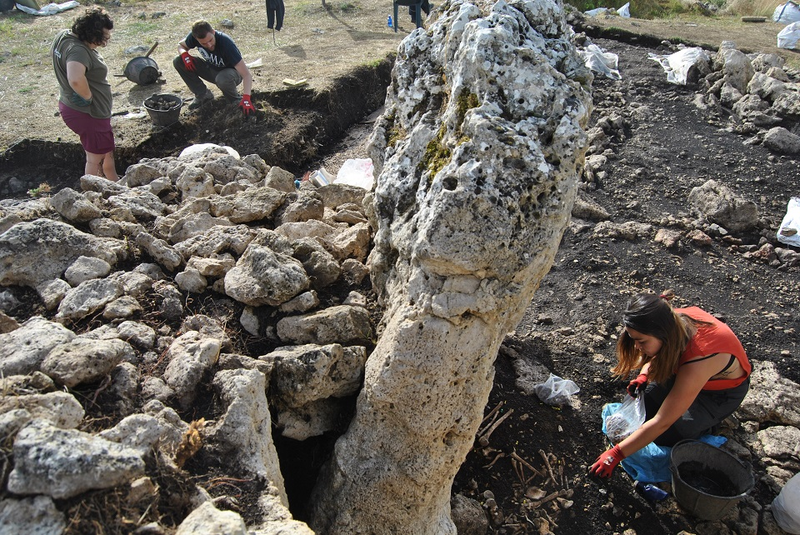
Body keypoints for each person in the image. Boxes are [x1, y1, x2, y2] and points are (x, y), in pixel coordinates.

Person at [589, 290, 751, 478]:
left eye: (641, 341)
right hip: (684, 369)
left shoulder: (700, 357)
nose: (636, 347)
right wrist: (644, 375)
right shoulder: (666, 321)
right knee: (645, 403)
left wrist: (616, 454)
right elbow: (660, 352)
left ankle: (707, 425)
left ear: (662, 334)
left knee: (670, 432)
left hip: (718, 393)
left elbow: (662, 422)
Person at [51, 6, 119, 181]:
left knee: (104, 151)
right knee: (95, 157)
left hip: (75, 108)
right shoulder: (78, 50)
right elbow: (75, 78)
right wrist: (88, 97)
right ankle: (91, 190)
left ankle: (113, 180)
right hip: (89, 113)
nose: (104, 41)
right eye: (102, 37)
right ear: (91, 32)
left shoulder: (64, 36)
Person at [172, 20, 255, 116]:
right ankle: (203, 95)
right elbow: (181, 45)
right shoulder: (194, 37)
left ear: (213, 32)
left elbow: (246, 75)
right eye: (203, 44)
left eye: (210, 40)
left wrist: (246, 97)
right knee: (179, 61)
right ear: (196, 38)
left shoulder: (226, 44)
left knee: (223, 79)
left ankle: (234, 101)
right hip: (212, 69)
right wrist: (184, 55)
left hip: (232, 74)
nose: (209, 45)